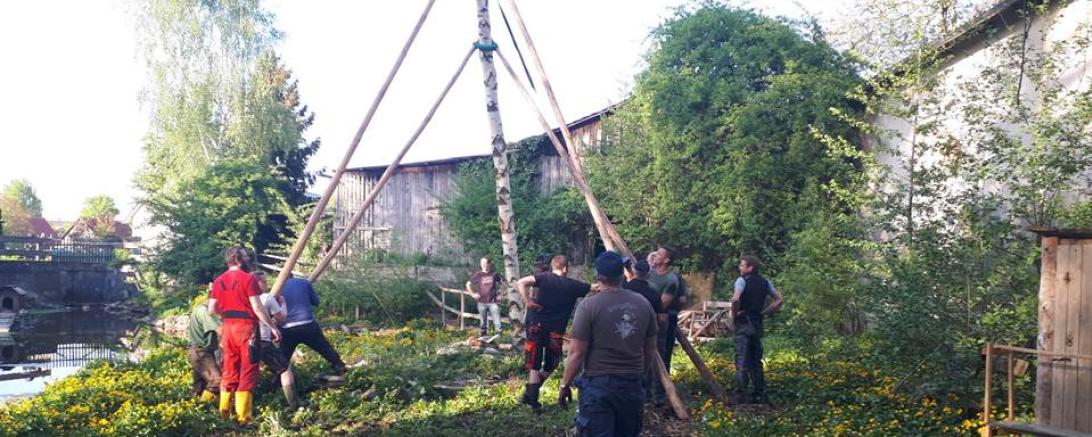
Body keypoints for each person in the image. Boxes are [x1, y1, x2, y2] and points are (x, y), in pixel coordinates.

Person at [558, 251, 658, 437]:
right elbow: (650, 348)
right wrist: (640, 375)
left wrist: (565, 385)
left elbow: (576, 353)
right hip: (631, 383)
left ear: (598, 276)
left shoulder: (588, 306)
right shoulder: (643, 304)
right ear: (622, 275)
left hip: (598, 385)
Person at [207, 247, 282, 422]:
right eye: (247, 257)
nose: (249, 260)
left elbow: (211, 309)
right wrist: (272, 327)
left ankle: (224, 414)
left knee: (229, 369)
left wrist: (228, 311)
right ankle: (243, 418)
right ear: (238, 259)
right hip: (247, 328)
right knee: (248, 370)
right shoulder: (249, 279)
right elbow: (257, 308)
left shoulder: (218, 281)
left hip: (227, 328)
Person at [514, 255, 592, 412]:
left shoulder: (543, 278)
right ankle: (532, 399)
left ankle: (531, 395)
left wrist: (527, 300)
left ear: (552, 266)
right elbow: (595, 287)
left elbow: (521, 282)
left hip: (535, 325)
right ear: (565, 268)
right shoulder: (573, 285)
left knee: (534, 361)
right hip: (555, 331)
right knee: (552, 363)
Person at [731, 255, 783, 404]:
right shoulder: (766, 283)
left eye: (742, 266)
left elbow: (735, 299)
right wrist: (765, 312)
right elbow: (779, 300)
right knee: (756, 359)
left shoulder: (741, 281)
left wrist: (735, 316)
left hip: (744, 323)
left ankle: (740, 395)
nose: (740, 268)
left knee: (742, 359)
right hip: (757, 323)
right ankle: (758, 393)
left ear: (750, 268)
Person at [279, 277, 347, 379]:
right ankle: (340, 367)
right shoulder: (304, 282)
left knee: (283, 357)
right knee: (324, 347)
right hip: (307, 324)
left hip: (288, 328)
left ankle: (276, 382)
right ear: (293, 275)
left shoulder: (277, 287)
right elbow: (316, 302)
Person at [252, 272, 299, 409]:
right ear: (258, 283)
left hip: (245, 341)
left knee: (248, 372)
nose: (267, 284)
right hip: (263, 341)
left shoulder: (243, 298)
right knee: (285, 368)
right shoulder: (267, 298)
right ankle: (293, 403)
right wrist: (283, 303)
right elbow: (282, 317)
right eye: (264, 282)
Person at [622, 259, 667, 400]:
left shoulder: (624, 290)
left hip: (626, 334)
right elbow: (662, 319)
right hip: (647, 335)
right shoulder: (653, 294)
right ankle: (647, 395)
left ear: (634, 272)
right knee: (647, 365)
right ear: (648, 274)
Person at [648, 246, 686, 403]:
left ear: (667, 260)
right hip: (648, 320)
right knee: (645, 356)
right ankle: (646, 393)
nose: (655, 254)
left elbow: (662, 305)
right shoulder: (650, 274)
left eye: (659, 253)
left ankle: (660, 395)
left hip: (662, 323)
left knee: (662, 357)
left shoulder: (671, 280)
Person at [185, 299, 221, 403]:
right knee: (218, 380)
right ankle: (203, 404)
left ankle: (196, 409)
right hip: (202, 353)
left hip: (198, 352)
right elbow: (220, 330)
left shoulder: (199, 309)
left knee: (199, 385)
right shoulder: (206, 312)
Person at [466, 257, 503, 337]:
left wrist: (501, 294)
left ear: (489, 264)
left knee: (497, 322)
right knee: (483, 323)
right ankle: (483, 338)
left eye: (486, 263)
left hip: (493, 302)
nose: (484, 265)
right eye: (482, 263)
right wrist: (473, 294)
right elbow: (468, 284)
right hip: (481, 302)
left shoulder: (494, 274)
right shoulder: (478, 275)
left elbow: (504, 284)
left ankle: (498, 338)